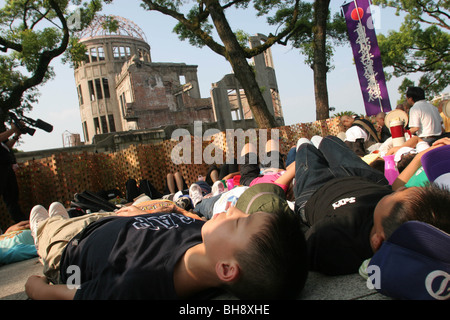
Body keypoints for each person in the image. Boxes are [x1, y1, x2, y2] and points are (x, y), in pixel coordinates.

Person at [25, 197, 308, 300]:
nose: (232, 209)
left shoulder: (139, 283)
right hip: (112, 220)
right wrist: (137, 211)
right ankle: (60, 217)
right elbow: (172, 218)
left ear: (226, 269)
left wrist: (35, 288)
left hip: (73, 248)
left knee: (48, 220)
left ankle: (46, 230)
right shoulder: (207, 237)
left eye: (238, 224)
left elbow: (74, 295)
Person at [292, 135, 450, 276]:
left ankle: (310, 142)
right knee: (329, 140)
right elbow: (396, 186)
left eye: (396, 195)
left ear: (377, 240)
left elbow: (295, 251)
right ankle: (318, 141)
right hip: (366, 178)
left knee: (305, 147)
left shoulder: (332, 236)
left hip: (317, 187)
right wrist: (419, 157)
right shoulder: (394, 219)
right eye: (406, 189)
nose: (401, 188)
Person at [0, 121, 26, 223]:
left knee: (12, 199)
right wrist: (13, 129)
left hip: (6, 168)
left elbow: (7, 145)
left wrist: (16, 135)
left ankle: (20, 222)